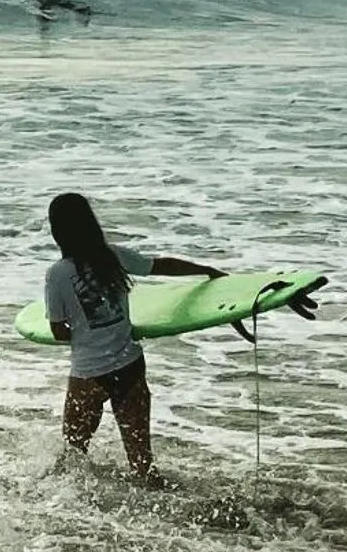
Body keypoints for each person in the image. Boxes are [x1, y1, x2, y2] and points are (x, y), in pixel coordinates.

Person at [42, 193, 224, 487]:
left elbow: (58, 331)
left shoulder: (57, 275)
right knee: (143, 465)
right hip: (129, 367)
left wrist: (85, 331)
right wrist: (206, 270)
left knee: (73, 459)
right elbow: (161, 265)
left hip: (88, 375)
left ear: (56, 232)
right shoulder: (112, 257)